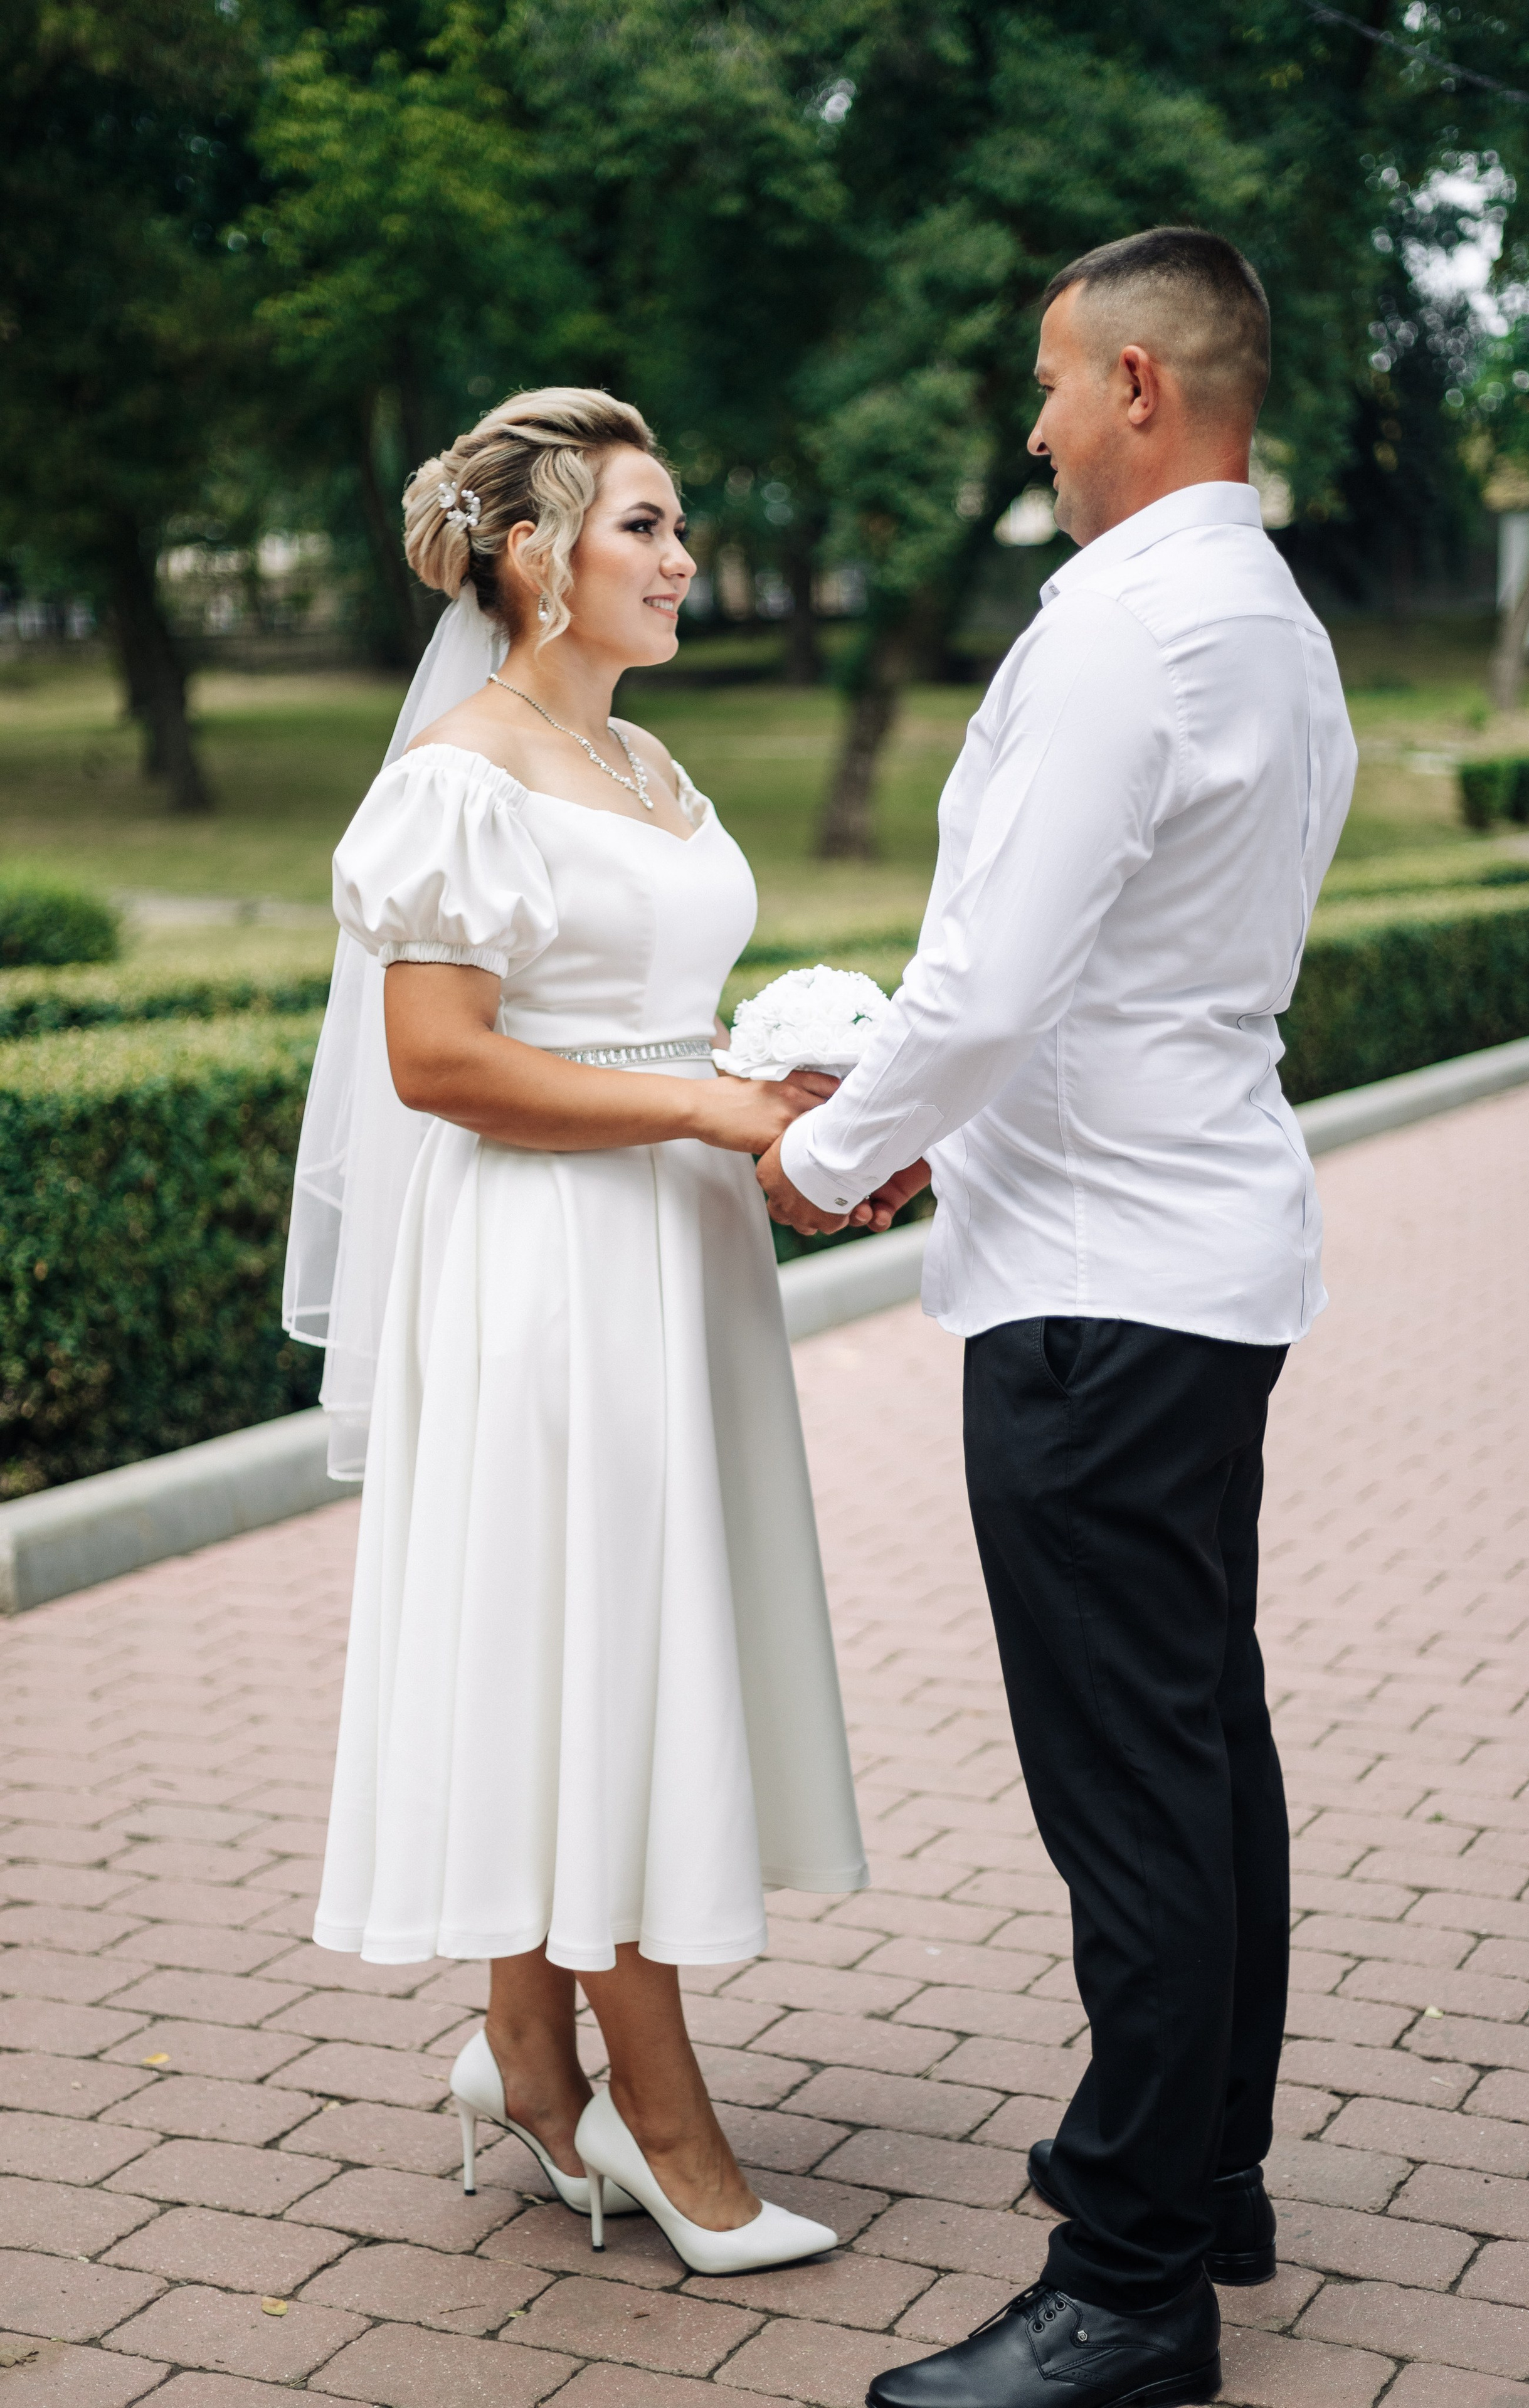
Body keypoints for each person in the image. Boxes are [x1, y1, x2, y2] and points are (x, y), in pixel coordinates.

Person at [758, 230, 1357, 2405]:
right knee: (1203, 1739)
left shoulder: (1131, 626)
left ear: (1133, 382)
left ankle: (1129, 2290)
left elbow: (992, 985)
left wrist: (824, 1152)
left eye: (1042, 386)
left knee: (1131, 1786)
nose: (1027, 428)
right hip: (1202, 1255)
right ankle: (1209, 2175)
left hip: (1101, 1288)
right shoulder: (1271, 620)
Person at [285, 388, 867, 2277]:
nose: (684, 557)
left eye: (677, 525)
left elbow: (635, 1008)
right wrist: (709, 1110)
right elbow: (439, 1061)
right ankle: (662, 2122)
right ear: (536, 559)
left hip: (671, 1258)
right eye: (647, 525)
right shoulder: (462, 772)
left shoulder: (645, 765)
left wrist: (772, 1079)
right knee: (598, 1643)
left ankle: (530, 2058)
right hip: (545, 1268)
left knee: (587, 1640)